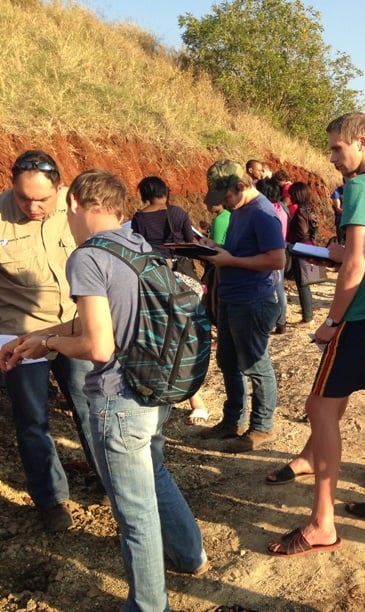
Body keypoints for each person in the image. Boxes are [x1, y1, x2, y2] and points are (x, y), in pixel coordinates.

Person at [3, 169, 209, 609]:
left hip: (119, 399)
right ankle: (191, 555)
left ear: (75, 203)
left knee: (134, 514)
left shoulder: (87, 257)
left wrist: (51, 344)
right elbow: (105, 318)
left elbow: (97, 345)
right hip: (153, 388)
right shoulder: (136, 244)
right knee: (155, 473)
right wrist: (44, 337)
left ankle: (148, 605)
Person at [267, 112, 365, 556]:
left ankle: (321, 524)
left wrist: (332, 321)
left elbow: (356, 263)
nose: (333, 158)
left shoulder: (361, 186)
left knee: (319, 408)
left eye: (337, 148)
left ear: (363, 141)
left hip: (363, 314)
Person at [0, 150, 102, 532]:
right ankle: (51, 499)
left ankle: (108, 479)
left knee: (90, 408)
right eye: (24, 197)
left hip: (72, 326)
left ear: (60, 189)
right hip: (19, 332)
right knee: (32, 421)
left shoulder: (73, 211)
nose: (32, 205)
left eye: (42, 198)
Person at [199, 160, 286, 453]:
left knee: (255, 365)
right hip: (231, 297)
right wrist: (216, 250)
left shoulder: (262, 214)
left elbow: (277, 260)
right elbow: (240, 250)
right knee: (227, 361)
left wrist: (231, 261)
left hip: (253, 300)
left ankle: (261, 427)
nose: (222, 204)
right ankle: (232, 420)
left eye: (225, 197)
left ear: (240, 186)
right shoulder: (238, 210)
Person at [130, 176, 209, 426]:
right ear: (166, 191)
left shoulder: (139, 218)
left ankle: (161, 391)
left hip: (155, 280)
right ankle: (193, 395)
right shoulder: (177, 212)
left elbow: (137, 250)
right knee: (186, 336)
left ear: (144, 193)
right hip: (184, 277)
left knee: (161, 337)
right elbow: (189, 242)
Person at [256, 177, 290, 335]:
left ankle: (272, 321)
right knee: (279, 286)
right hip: (281, 250)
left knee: (270, 288)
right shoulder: (281, 208)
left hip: (268, 253)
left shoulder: (265, 210)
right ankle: (282, 321)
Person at [286, 181, 319, 325]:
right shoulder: (310, 209)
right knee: (305, 281)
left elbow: (302, 232)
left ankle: (307, 317)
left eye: (292, 193)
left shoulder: (300, 211)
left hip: (301, 249)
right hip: (309, 246)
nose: (289, 196)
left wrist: (292, 244)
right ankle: (308, 313)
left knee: (302, 283)